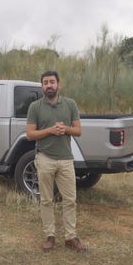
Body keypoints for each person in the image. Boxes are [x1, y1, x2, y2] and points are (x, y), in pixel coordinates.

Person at [26, 70, 87, 253]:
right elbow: (30, 134)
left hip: (66, 160)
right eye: (45, 83)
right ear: (42, 86)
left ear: (59, 84)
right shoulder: (35, 107)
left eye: (52, 82)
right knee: (46, 200)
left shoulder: (70, 104)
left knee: (70, 200)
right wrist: (51, 130)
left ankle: (70, 237)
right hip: (45, 158)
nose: (49, 85)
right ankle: (50, 236)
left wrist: (65, 129)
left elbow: (78, 131)